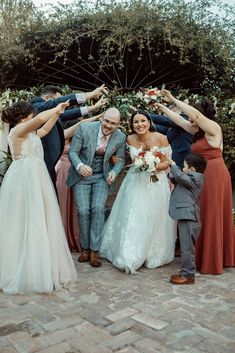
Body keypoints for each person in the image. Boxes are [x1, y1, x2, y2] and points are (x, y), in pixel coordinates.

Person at [0, 101, 77, 294]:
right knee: (24, 218)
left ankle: (39, 264)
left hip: (36, 176)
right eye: (32, 114)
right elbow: (41, 119)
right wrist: (55, 107)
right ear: (25, 116)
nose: (35, 116)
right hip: (25, 178)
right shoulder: (18, 130)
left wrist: (57, 114)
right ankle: (22, 268)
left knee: (39, 217)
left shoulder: (30, 133)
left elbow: (45, 128)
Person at [156, 89, 235, 275]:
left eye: (193, 118)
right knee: (201, 213)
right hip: (201, 175)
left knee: (210, 213)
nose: (191, 121)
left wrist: (174, 98)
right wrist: (162, 107)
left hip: (215, 174)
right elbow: (181, 121)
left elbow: (195, 116)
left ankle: (213, 259)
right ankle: (201, 255)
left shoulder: (214, 128)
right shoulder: (198, 132)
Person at [100, 110, 176, 274]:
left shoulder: (161, 138)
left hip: (156, 183)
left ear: (149, 122)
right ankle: (130, 254)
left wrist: (152, 165)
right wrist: (140, 163)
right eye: (136, 122)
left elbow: (167, 164)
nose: (140, 124)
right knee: (134, 215)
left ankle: (152, 254)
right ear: (131, 125)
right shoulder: (130, 139)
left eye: (143, 121)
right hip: (135, 182)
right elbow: (131, 161)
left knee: (155, 217)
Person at [67, 107, 126, 267]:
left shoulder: (120, 137)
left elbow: (120, 160)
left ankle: (95, 250)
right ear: (101, 119)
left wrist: (114, 172)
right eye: (106, 121)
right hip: (81, 175)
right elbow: (73, 152)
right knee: (83, 211)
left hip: (102, 176)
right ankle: (85, 248)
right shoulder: (85, 128)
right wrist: (80, 166)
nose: (108, 125)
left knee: (98, 209)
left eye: (113, 123)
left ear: (118, 125)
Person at [31, 84, 108, 187]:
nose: (60, 105)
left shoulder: (49, 112)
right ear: (48, 99)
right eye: (58, 100)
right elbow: (58, 103)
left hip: (48, 160)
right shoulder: (36, 105)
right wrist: (91, 94)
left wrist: (93, 107)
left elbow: (69, 114)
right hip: (40, 159)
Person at [55, 114, 102, 252]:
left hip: (79, 174)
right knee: (63, 204)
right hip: (63, 171)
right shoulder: (62, 137)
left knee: (78, 207)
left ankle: (78, 239)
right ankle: (63, 238)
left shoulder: (83, 138)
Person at [168, 154, 207, 284]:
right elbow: (179, 179)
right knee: (186, 246)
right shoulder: (189, 177)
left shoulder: (197, 178)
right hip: (185, 214)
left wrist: (173, 165)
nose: (182, 168)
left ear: (192, 169)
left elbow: (181, 178)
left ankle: (188, 276)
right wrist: (170, 172)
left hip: (189, 216)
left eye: (184, 166)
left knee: (187, 248)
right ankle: (186, 271)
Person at [150, 104, 193, 169]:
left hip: (184, 157)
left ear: (174, 111)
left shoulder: (184, 117)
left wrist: (147, 116)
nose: (169, 116)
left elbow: (167, 120)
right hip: (175, 155)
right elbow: (161, 128)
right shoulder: (173, 126)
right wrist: (145, 123)